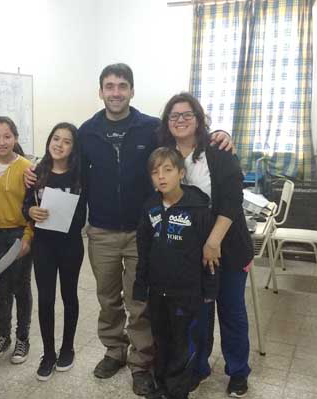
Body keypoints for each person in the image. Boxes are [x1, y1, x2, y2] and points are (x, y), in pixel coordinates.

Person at [68, 63, 231, 395]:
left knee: (138, 300)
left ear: (131, 90)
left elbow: (187, 137)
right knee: (107, 298)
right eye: (109, 86)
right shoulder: (86, 132)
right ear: (100, 92)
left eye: (122, 86)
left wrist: (220, 135)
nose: (116, 92)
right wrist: (35, 175)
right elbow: (69, 170)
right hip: (101, 230)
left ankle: (141, 363)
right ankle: (114, 350)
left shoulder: (151, 128)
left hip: (145, 230)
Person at [157, 93, 254, 398]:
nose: (181, 120)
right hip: (188, 251)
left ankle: (238, 371)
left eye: (187, 115)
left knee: (231, 310)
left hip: (227, 245)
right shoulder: (164, 155)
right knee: (197, 313)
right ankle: (198, 367)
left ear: (198, 119)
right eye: (174, 116)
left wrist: (213, 242)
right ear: (167, 122)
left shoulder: (218, 150)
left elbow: (231, 202)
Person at [133, 147, 217, 399]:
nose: (161, 176)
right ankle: (161, 386)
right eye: (155, 172)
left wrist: (210, 289)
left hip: (187, 292)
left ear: (181, 173)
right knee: (161, 339)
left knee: (183, 343)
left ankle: (177, 391)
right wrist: (141, 284)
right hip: (158, 290)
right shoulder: (150, 207)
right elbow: (143, 248)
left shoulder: (199, 208)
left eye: (168, 170)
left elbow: (210, 255)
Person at [23, 122, 87, 381]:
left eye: (67, 141)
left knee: (69, 296)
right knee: (46, 299)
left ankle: (67, 348)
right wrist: (29, 211)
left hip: (71, 245)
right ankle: (48, 353)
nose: (59, 144)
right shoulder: (36, 173)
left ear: (74, 147)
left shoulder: (81, 174)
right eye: (56, 138)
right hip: (44, 246)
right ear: (49, 140)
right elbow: (25, 204)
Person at [0, 116, 33, 363]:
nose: (2, 142)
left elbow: (35, 206)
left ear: (15, 138)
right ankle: (3, 336)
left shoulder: (27, 167)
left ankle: (22, 339)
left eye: (7, 136)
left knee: (21, 288)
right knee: (2, 287)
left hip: (18, 235)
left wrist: (27, 237)